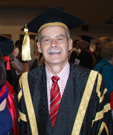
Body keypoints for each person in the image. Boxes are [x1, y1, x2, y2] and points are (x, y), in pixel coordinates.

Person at [16, 7, 112, 135]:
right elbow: (23, 128)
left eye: (60, 39)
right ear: (39, 46)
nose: (53, 44)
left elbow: (103, 128)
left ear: (70, 44)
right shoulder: (26, 82)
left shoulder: (93, 81)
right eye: (46, 40)